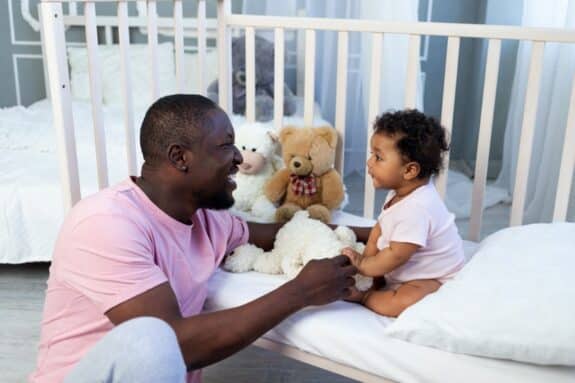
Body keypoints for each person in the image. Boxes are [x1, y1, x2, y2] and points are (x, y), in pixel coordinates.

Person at [30, 94, 367, 383]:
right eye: (226, 145)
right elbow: (173, 344)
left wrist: (379, 231)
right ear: (180, 157)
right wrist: (301, 292)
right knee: (152, 337)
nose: (238, 158)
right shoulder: (106, 222)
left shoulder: (205, 220)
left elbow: (281, 233)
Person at [342, 109, 465, 317]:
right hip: (407, 269)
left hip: (434, 278)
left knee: (405, 300)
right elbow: (379, 229)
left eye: (378, 157)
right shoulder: (400, 193)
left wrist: (365, 266)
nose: (369, 162)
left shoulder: (417, 209)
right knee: (379, 270)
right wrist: (368, 258)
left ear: (409, 171)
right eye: (372, 155)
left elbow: (397, 255)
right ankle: (375, 283)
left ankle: (366, 298)